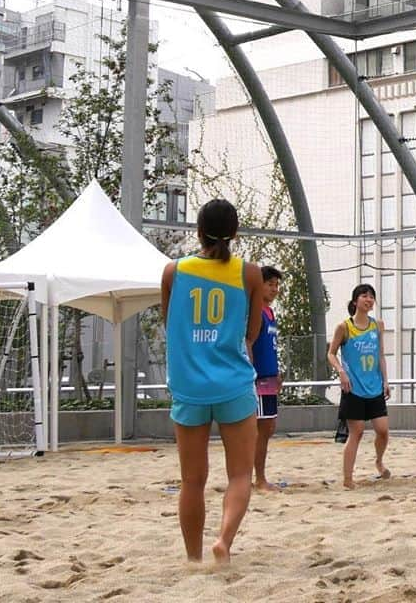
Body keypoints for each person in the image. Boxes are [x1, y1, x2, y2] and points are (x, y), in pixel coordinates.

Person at [161, 198, 262, 563]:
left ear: (198, 231)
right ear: (235, 232)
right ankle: (223, 540)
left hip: (190, 385)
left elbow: (169, 323)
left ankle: (193, 558)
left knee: (192, 480)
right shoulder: (249, 273)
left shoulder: (174, 271)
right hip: (232, 382)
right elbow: (251, 333)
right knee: (239, 475)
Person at [327, 283, 390, 489]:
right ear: (355, 301)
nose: (369, 299)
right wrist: (341, 372)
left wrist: (386, 381)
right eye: (364, 296)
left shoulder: (377, 325)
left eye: (372, 296)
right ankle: (348, 479)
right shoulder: (344, 327)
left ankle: (379, 462)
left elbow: (380, 355)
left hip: (374, 386)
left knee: (383, 430)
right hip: (353, 388)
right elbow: (331, 353)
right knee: (358, 431)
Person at [252, 265, 282, 493]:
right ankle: (258, 478)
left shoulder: (270, 313)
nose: (274, 289)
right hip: (258, 377)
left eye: (276, 285)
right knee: (261, 429)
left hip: (270, 376)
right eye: (270, 284)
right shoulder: (254, 312)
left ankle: (259, 476)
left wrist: (277, 374)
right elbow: (248, 345)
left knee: (268, 427)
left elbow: (270, 348)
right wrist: (251, 374)